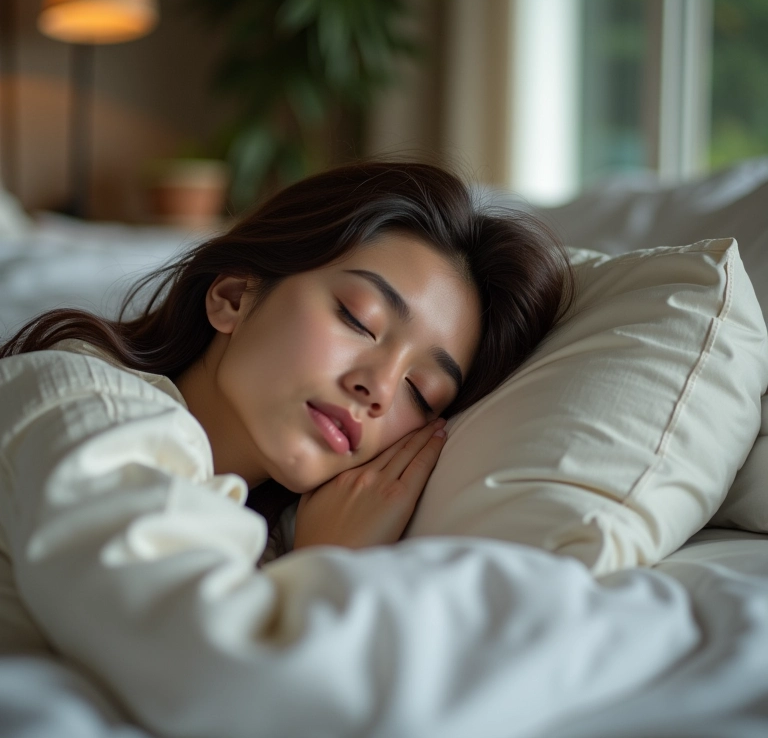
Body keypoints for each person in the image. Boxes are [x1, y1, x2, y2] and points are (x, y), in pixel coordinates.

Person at [0, 161, 573, 735]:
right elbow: (226, 675)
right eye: (358, 319)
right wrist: (326, 566)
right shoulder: (84, 409)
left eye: (421, 392)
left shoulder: (262, 526)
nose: (377, 388)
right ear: (233, 296)